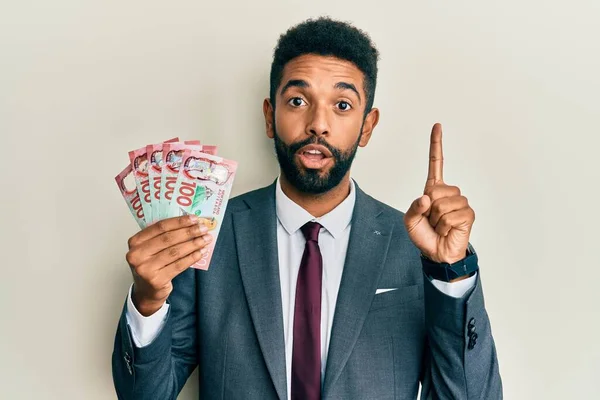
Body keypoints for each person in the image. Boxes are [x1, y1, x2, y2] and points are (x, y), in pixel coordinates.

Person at [112, 17, 502, 400]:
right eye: (298, 101)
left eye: (343, 104)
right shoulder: (207, 234)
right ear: (270, 116)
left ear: (367, 126)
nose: (318, 123)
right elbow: (145, 395)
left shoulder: (415, 247)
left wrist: (452, 273)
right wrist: (147, 302)